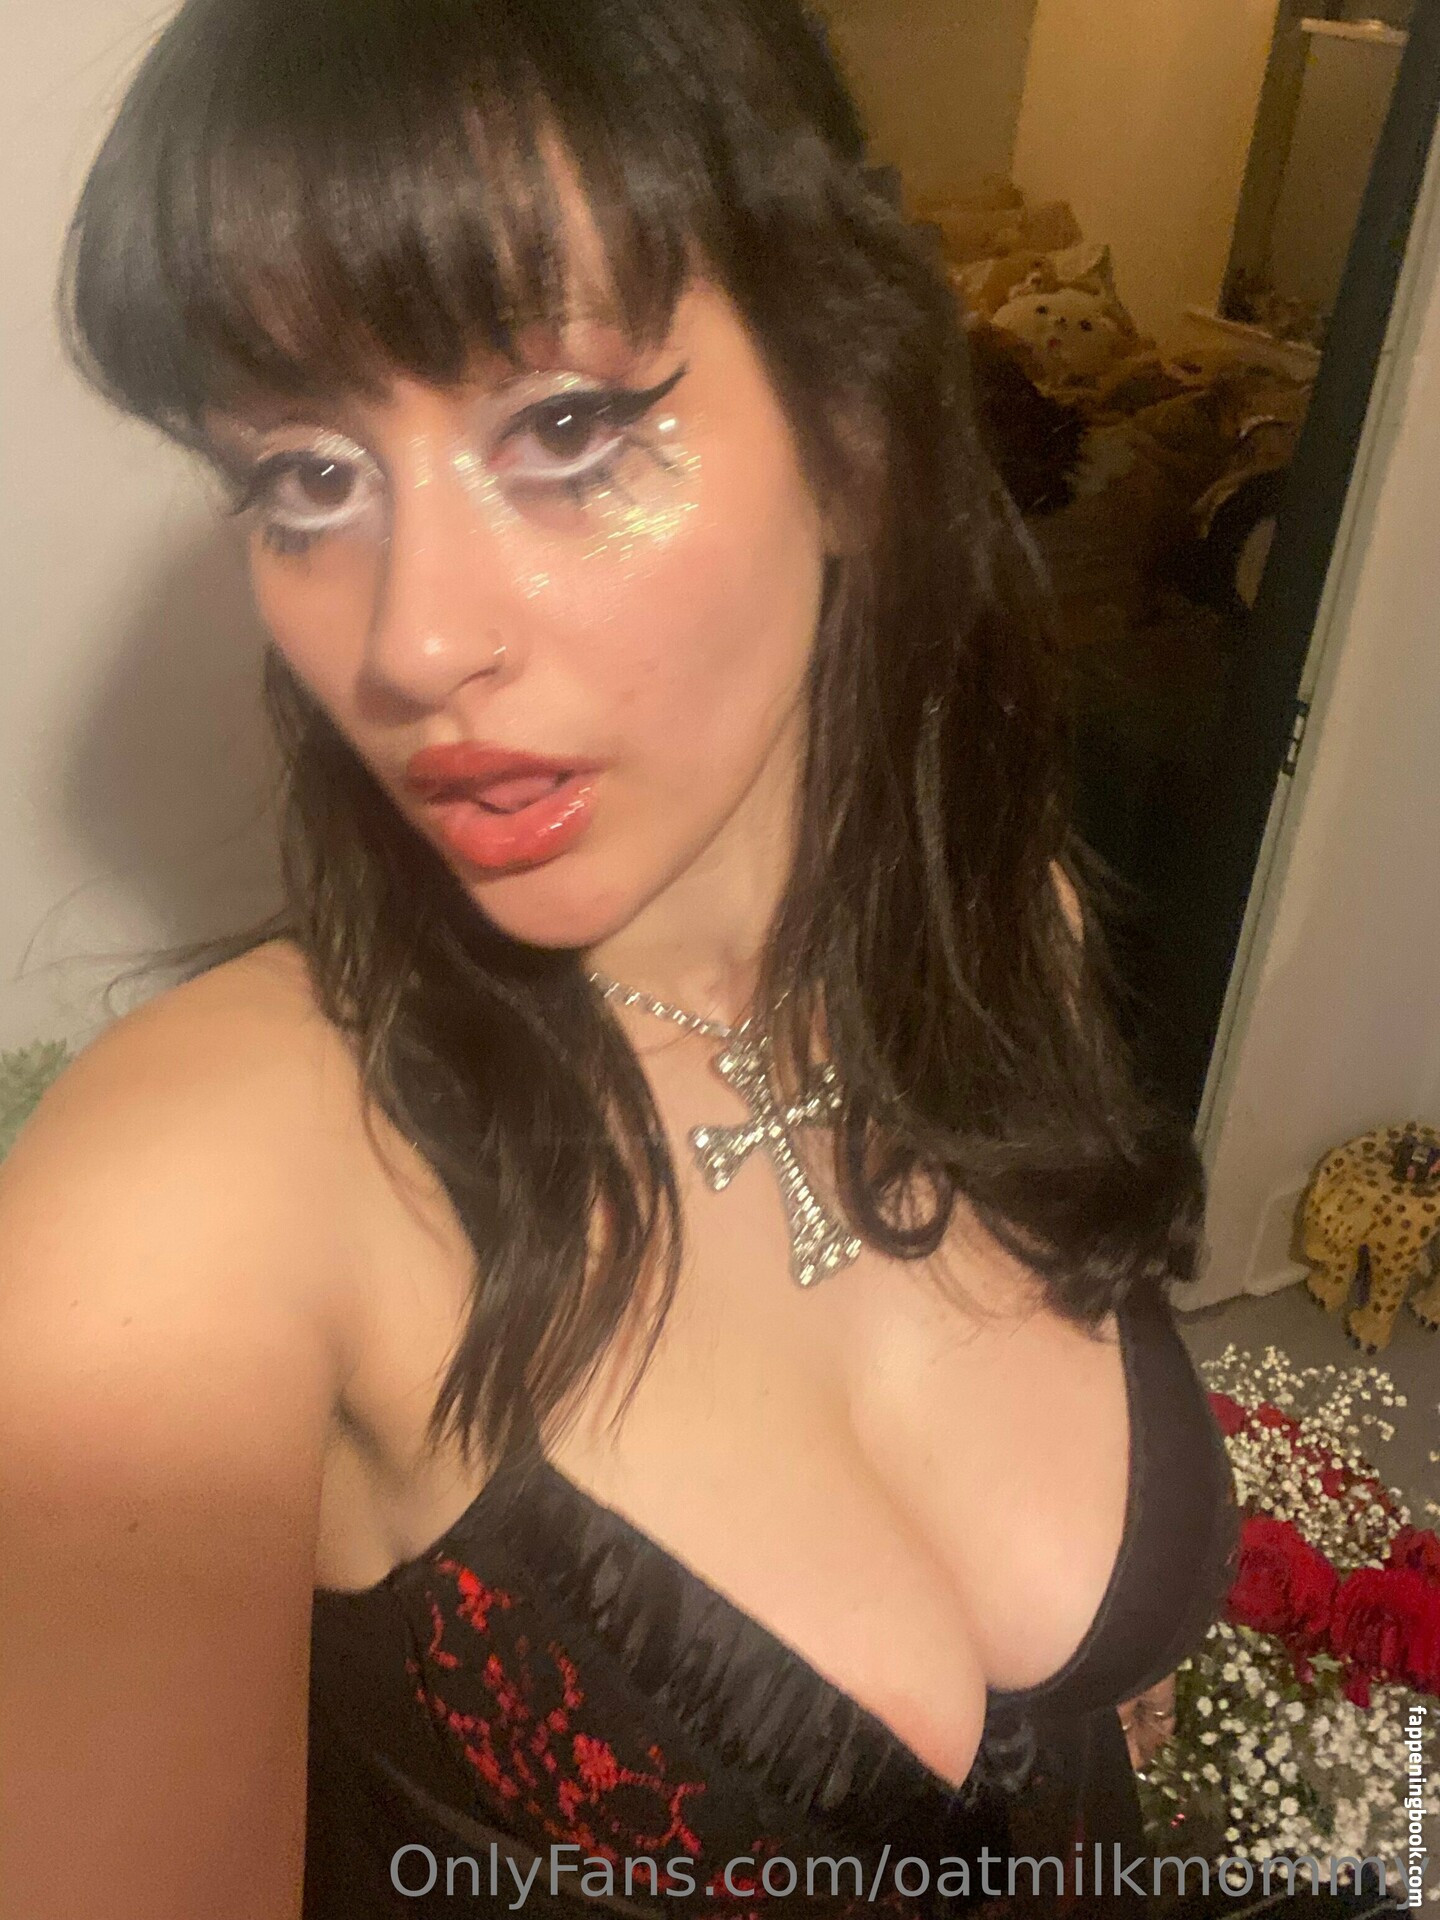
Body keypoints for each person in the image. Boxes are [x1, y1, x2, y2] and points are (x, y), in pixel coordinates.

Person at [1, 2, 1246, 1917]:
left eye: (566, 427)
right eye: (306, 476)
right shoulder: (185, 1199)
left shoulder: (1013, 938)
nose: (410, 644)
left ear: (853, 429)